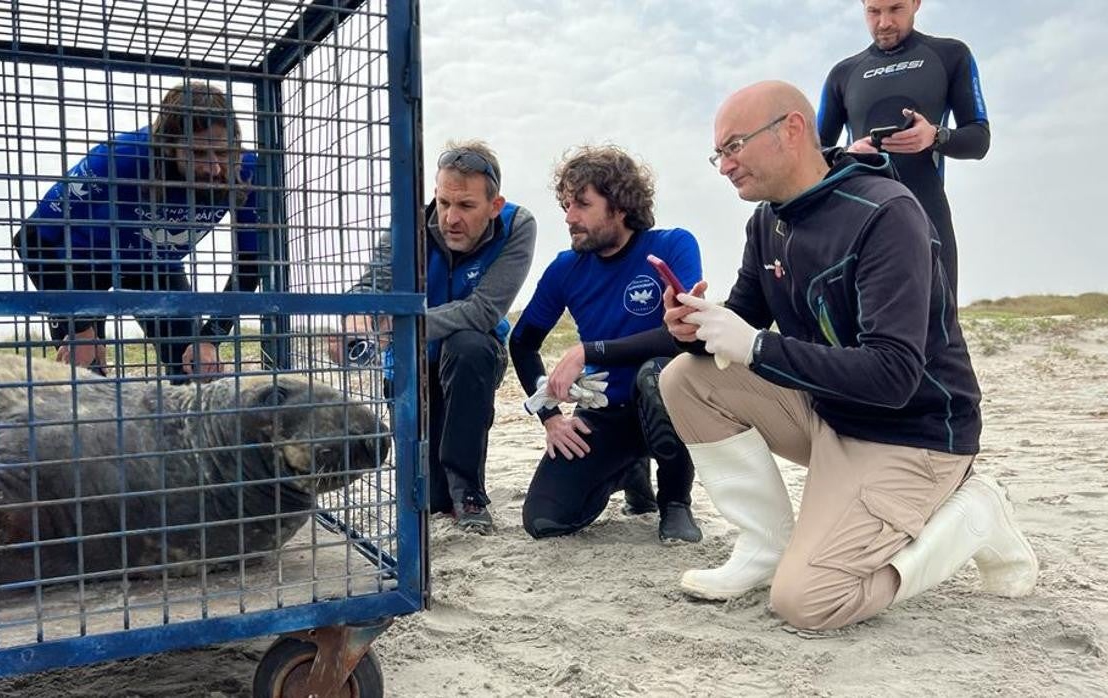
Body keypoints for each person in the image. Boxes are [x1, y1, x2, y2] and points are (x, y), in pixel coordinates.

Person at [657, 80, 1036, 631]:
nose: (724, 166)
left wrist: (757, 346)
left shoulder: (886, 214)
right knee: (685, 377)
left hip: (914, 434)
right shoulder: (768, 220)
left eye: (734, 146)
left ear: (790, 129)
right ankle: (766, 545)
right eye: (719, 152)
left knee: (807, 602)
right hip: (832, 414)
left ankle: (976, 514)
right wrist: (693, 326)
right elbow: (742, 319)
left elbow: (895, 375)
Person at [336, 141, 536, 534]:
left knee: (468, 344)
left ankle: (470, 492)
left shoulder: (517, 226)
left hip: (471, 357)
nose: (450, 219)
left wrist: (399, 325)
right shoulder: (407, 226)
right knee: (430, 499)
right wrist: (356, 318)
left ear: (494, 206)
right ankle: (445, 489)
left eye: (465, 206)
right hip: (412, 360)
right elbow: (368, 288)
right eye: (444, 203)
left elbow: (483, 311)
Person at [509, 145, 703, 543]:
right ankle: (628, 470)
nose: (569, 217)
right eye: (565, 205)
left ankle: (675, 502)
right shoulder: (565, 268)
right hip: (604, 411)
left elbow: (681, 334)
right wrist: (550, 416)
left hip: (665, 399)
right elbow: (523, 343)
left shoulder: (672, 246)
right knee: (544, 522)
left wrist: (588, 352)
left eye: (582, 204)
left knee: (657, 376)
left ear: (619, 205)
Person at [15, 80, 261, 382]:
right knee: (83, 383)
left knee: (193, 370)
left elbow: (252, 261)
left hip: (157, 267)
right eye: (197, 153)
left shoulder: (245, 169)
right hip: (82, 262)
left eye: (222, 153)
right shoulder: (120, 156)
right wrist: (78, 327)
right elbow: (29, 239)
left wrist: (211, 337)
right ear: (169, 146)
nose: (213, 169)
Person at [818, 0, 990, 299]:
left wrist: (934, 136)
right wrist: (849, 154)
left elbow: (979, 139)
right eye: (873, 11)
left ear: (916, 3)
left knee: (939, 337)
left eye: (895, 9)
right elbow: (814, 154)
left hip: (927, 218)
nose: (884, 22)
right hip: (858, 224)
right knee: (862, 335)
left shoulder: (950, 55)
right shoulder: (843, 74)